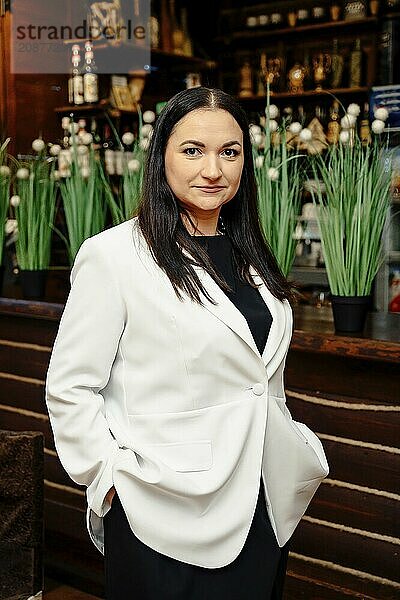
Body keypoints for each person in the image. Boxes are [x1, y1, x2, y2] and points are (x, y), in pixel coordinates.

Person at [45, 87, 328, 599]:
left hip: (260, 502)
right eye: (193, 150)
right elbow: (71, 388)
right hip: (164, 504)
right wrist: (109, 479)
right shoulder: (114, 256)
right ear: (162, 158)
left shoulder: (251, 252)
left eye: (230, 152)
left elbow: (261, 378)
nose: (213, 170)